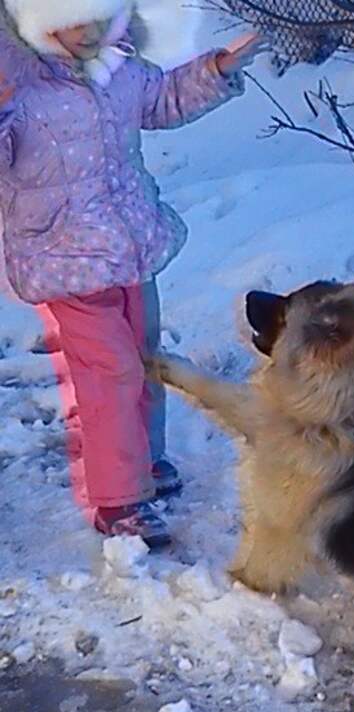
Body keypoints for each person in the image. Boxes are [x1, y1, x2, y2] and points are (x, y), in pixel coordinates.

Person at [0, 0, 265, 547]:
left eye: (103, 17)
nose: (91, 31)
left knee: (142, 359)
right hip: (62, 258)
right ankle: (118, 498)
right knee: (111, 371)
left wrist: (214, 71)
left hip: (127, 247)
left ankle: (142, 462)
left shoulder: (118, 67)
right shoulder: (16, 88)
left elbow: (162, 99)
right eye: (74, 20)